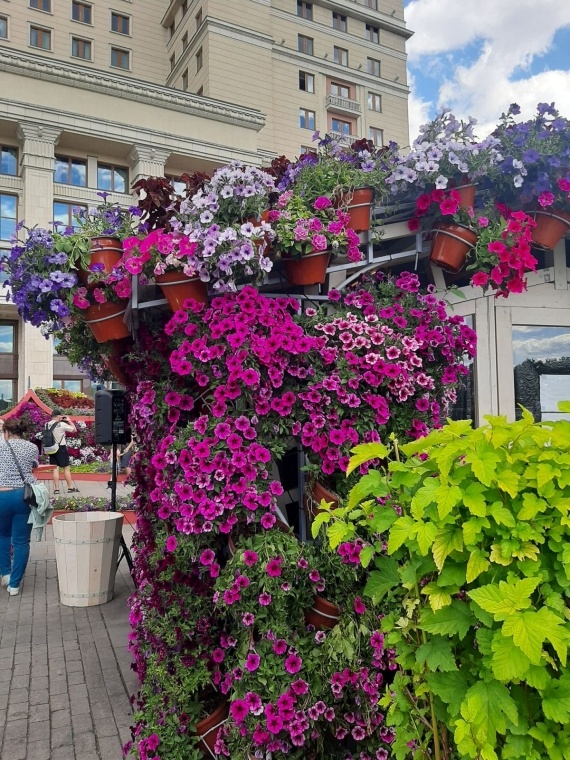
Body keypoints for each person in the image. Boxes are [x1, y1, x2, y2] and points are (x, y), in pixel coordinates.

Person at [0, 417, 39, 595]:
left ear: (6, 432)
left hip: (2, 495)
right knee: (22, 541)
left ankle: (6, 573)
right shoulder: (32, 447)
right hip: (24, 495)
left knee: (2, 536)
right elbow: (33, 466)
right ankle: (14, 585)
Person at [45, 409, 79, 495]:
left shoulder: (47, 424)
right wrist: (69, 420)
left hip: (51, 448)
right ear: (58, 416)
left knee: (55, 468)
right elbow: (74, 430)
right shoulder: (62, 424)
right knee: (66, 468)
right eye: (60, 416)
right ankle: (70, 487)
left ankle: (56, 489)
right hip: (61, 448)